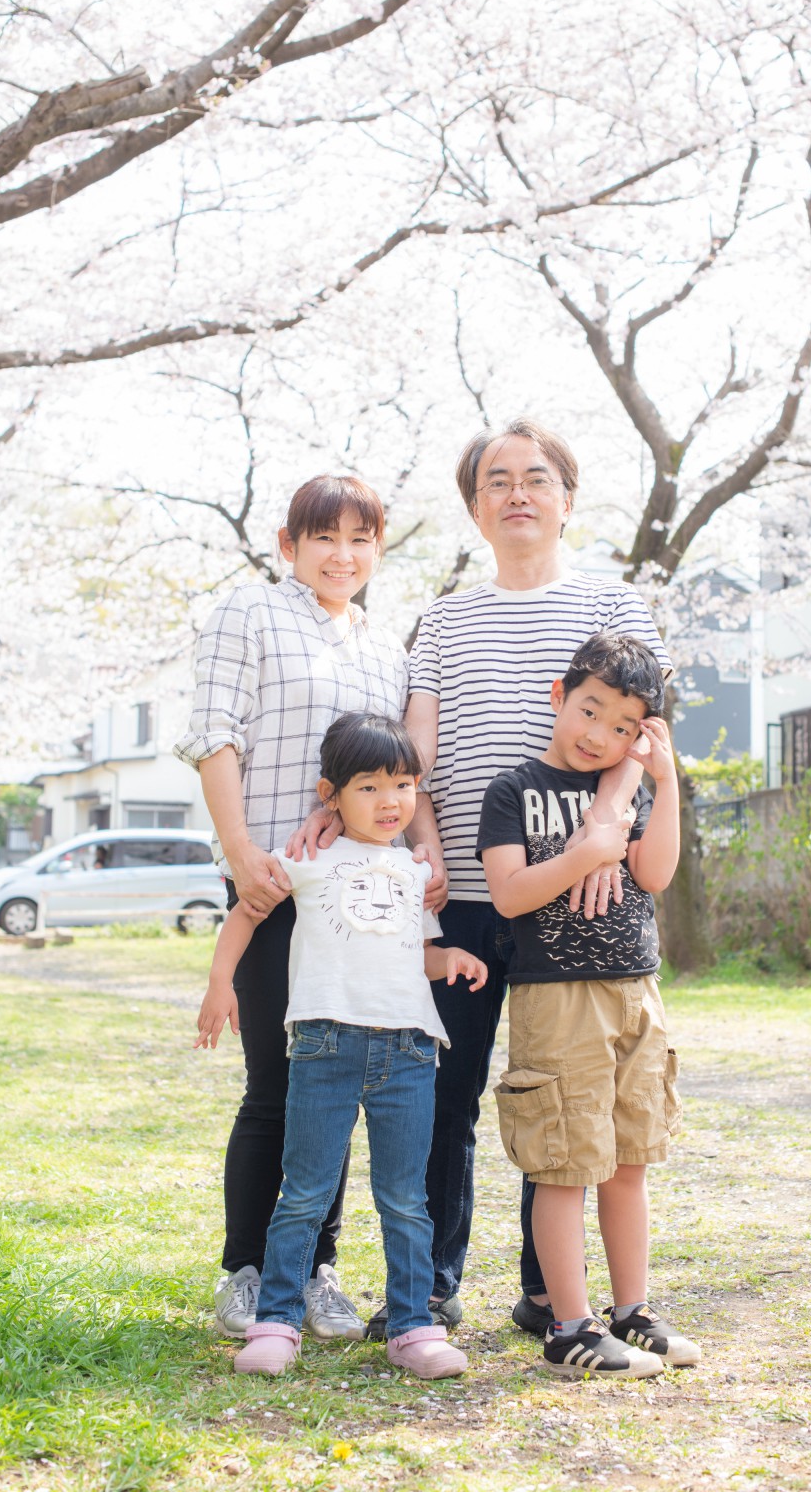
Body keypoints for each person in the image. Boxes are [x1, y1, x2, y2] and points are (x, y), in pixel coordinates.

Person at [399, 417, 673, 1337]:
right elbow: (421, 752)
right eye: (497, 480)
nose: (517, 492)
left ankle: (547, 1295)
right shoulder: (443, 619)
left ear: (566, 496)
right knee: (449, 1095)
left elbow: (646, 732)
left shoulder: (615, 605)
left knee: (557, 1095)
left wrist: (603, 828)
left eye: (536, 477)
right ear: (476, 506)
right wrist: (425, 839)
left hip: (579, 901)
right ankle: (431, 1286)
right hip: (473, 895)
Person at [175, 474, 431, 1343]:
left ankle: (317, 1270)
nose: (343, 555)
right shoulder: (247, 615)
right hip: (269, 884)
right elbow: (216, 735)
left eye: (362, 539)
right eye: (326, 537)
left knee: (341, 1083)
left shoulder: (386, 648)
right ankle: (247, 1271)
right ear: (290, 544)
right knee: (276, 1086)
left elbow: (372, 764)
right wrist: (243, 853)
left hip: (351, 893)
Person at [194, 711, 485, 1379]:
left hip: (409, 1052)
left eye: (404, 785)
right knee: (304, 1191)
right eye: (371, 787)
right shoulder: (309, 856)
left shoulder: (417, 870)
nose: (391, 802)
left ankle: (412, 1327)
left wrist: (453, 960)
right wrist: (220, 985)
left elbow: (417, 953)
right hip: (325, 1043)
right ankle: (277, 1320)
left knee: (404, 1198)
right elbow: (246, 910)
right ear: (331, 794)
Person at [478, 632, 700, 1378]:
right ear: (558, 697)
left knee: (630, 1160)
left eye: (623, 728)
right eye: (590, 712)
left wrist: (663, 786)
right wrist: (582, 855)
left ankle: (630, 1310)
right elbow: (509, 893)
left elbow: (657, 872)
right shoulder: (512, 790)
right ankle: (567, 1325)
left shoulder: (632, 789)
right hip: (555, 998)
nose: (599, 736)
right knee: (564, 1165)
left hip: (637, 988)